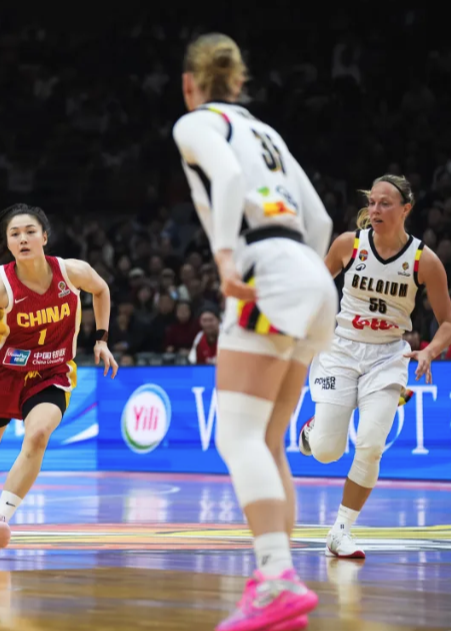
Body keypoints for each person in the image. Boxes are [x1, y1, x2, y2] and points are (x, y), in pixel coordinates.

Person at [173, 33, 337, 631]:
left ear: (190, 85)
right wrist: (302, 278)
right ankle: (280, 584)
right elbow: (320, 219)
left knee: (238, 436)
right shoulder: (267, 133)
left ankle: (274, 578)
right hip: (312, 276)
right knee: (267, 441)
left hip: (267, 272)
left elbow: (224, 177)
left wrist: (224, 258)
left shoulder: (196, 123)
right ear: (238, 82)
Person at [0, 203, 117, 556]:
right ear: (8, 244)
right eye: (15, 234)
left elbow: (101, 289)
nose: (23, 239)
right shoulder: (0, 289)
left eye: (30, 231)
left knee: (38, 435)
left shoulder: (72, 272)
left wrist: (101, 339)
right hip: (4, 375)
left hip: (52, 373)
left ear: (44, 237)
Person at [300, 174, 451, 558]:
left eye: (385, 203)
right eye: (372, 202)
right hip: (341, 350)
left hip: (388, 356)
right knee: (326, 451)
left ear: (406, 209)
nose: (376, 209)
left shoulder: (424, 261)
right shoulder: (349, 245)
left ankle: (341, 530)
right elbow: (316, 288)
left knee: (369, 446)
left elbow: (447, 322)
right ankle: (313, 430)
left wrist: (430, 351)